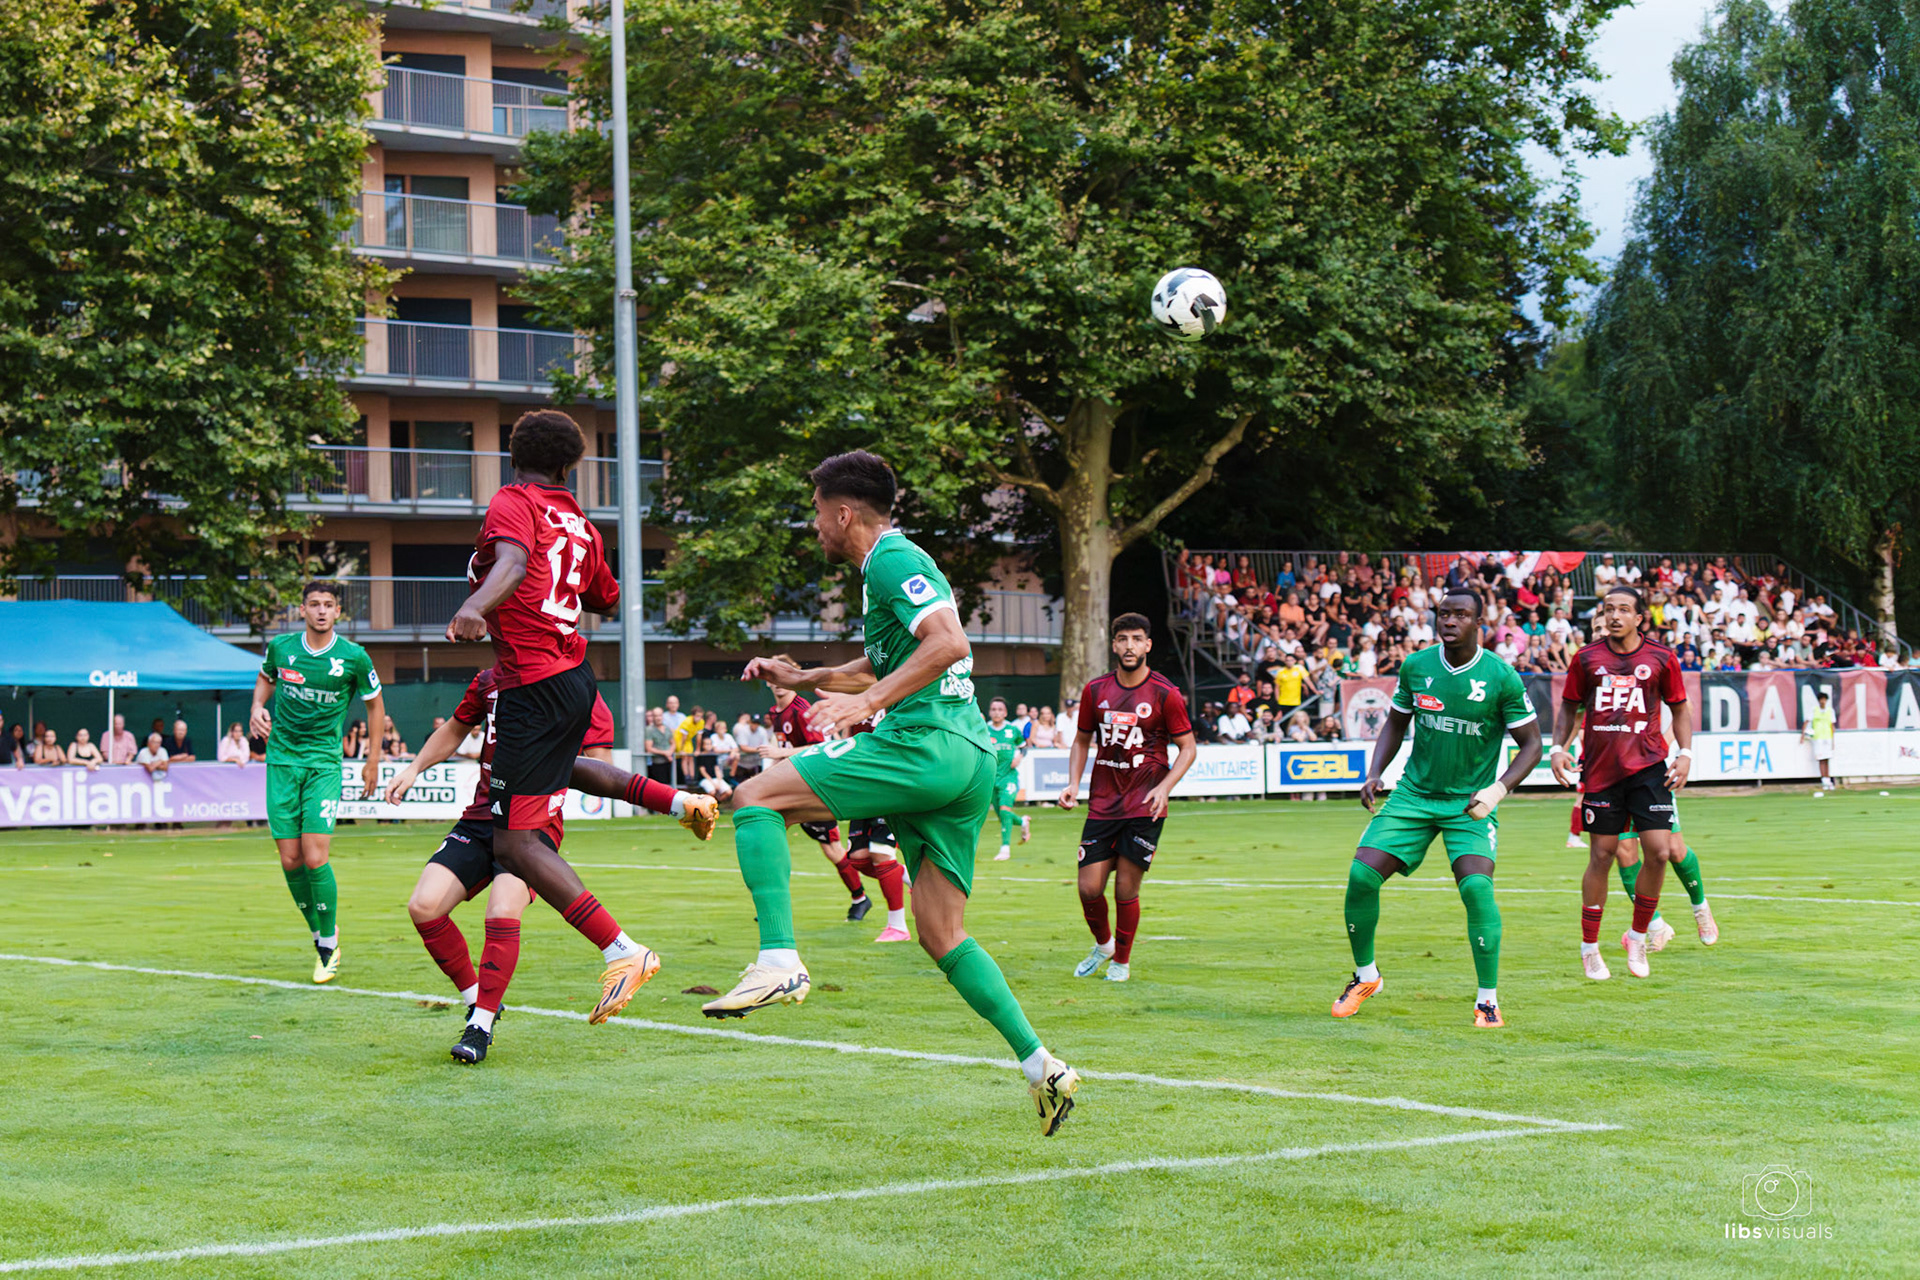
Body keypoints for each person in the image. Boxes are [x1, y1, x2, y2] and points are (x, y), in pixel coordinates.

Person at [711, 450, 1080, 1134]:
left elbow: (948, 643)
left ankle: (779, 962)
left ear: (843, 512)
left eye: (818, 513)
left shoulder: (888, 558)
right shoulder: (888, 567)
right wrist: (808, 680)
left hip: (924, 744)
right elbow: (883, 660)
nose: (815, 525)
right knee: (942, 935)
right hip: (966, 759)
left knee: (756, 797)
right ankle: (1043, 1066)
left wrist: (868, 703)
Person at [445, 409, 658, 1026]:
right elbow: (604, 597)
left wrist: (474, 606)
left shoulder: (515, 501)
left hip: (532, 684)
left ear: (515, 455)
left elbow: (511, 564)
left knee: (513, 841)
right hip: (574, 681)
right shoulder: (582, 524)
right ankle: (677, 804)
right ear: (571, 465)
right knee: (551, 796)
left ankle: (625, 949)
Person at [387, 666, 717, 1062]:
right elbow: (457, 728)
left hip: (532, 825)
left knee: (503, 909)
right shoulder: (489, 679)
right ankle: (479, 999)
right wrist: (412, 768)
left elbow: (596, 767)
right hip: (481, 817)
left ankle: (481, 1026)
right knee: (424, 906)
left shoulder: (569, 685)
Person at [1333, 588, 1543, 1029]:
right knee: (1360, 875)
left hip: (1469, 802)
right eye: (1443, 614)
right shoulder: (1417, 666)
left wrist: (1498, 790)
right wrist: (1375, 772)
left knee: (1476, 890)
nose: (1449, 621)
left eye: (1460, 615)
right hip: (1413, 795)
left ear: (1477, 622)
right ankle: (1365, 976)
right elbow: (1395, 723)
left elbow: (1532, 745)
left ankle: (1487, 1000)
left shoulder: (1501, 676)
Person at [1552, 586, 1709, 981]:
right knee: (1602, 856)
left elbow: (1680, 708)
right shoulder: (1586, 659)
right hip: (1602, 772)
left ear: (1640, 618)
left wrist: (1685, 755)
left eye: (1624, 610)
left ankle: (1640, 934)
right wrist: (1558, 747)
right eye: (1609, 610)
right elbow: (1570, 707)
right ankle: (1590, 948)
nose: (1615, 616)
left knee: (1659, 851)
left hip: (1649, 768)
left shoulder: (1661, 657)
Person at [251, 581, 385, 984]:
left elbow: (376, 706)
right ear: (302, 610)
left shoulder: (354, 658)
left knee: (314, 855)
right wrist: (257, 706)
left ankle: (328, 945)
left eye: (329, 605)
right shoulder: (282, 649)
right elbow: (265, 680)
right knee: (290, 859)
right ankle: (319, 931)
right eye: (314, 604)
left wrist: (372, 760)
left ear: (338, 612)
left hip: (324, 765)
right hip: (281, 762)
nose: (322, 611)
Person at [1057, 612, 1198, 984]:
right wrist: (1073, 782)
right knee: (1088, 888)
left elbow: (1188, 748)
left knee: (1124, 889)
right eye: (1123, 639)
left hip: (1144, 804)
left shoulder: (1166, 694)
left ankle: (1121, 961)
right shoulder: (1095, 690)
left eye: (1137, 639)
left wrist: (1164, 787)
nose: (1130, 646)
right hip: (1102, 802)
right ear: (1114, 644)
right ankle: (1103, 945)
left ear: (1148, 645)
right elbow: (1082, 739)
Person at [762, 658, 872, 919]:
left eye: (785, 676)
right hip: (795, 784)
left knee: (834, 849)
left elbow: (819, 748)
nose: (778, 683)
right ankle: (773, 903)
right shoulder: (776, 712)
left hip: (817, 783)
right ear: (768, 681)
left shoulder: (801, 709)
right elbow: (786, 751)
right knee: (770, 830)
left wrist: (779, 753)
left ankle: (868, 894)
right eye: (774, 677)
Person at [983, 697, 1032, 862]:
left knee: (1005, 810)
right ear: (990, 712)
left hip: (1009, 777)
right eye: (994, 709)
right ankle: (1023, 822)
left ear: (1005, 713)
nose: (997, 712)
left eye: (1000, 709)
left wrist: (1018, 756)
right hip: (990, 779)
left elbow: (1023, 746)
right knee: (1002, 815)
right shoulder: (984, 730)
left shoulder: (1012, 730)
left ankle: (1005, 849)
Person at [1803, 690, 1837, 790]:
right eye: (1821, 699)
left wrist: (1833, 741)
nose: (1823, 701)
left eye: (1824, 699)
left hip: (1828, 738)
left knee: (1827, 759)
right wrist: (1803, 735)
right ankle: (1824, 781)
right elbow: (1807, 722)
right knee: (1821, 759)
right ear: (1818, 700)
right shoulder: (1814, 710)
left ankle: (1828, 780)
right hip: (1818, 738)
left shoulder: (1830, 711)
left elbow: (1832, 726)